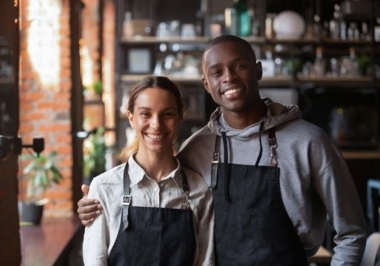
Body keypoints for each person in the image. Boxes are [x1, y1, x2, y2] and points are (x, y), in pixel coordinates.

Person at [78, 35, 367, 264]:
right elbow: (160, 189)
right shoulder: (198, 148)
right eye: (217, 72)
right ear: (207, 84)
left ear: (258, 70)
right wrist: (96, 204)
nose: (228, 77)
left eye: (239, 66)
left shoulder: (309, 142)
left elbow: (352, 232)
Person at [81, 76, 214, 266]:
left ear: (179, 118)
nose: (156, 124)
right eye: (146, 114)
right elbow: (95, 261)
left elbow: (205, 262)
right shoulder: (104, 187)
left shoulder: (199, 189)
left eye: (167, 114)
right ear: (131, 118)